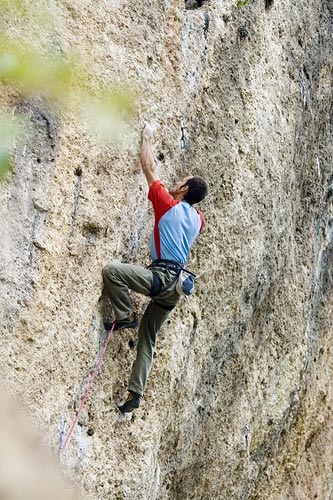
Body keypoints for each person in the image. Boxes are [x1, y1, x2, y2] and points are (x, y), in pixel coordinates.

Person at [102, 124, 208, 413]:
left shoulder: (167, 205)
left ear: (184, 189)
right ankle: (135, 394)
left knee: (112, 271)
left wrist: (147, 136)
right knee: (148, 337)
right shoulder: (197, 219)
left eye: (182, 182)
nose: (177, 183)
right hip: (176, 289)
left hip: (161, 277)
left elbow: (148, 165)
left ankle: (124, 315)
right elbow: (191, 210)